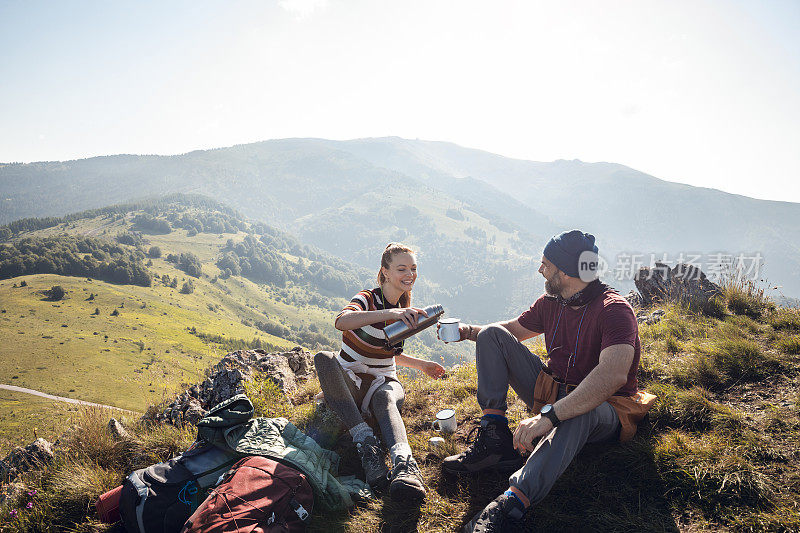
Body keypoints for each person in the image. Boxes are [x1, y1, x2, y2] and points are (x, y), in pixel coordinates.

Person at [441, 230, 656, 532]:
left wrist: (550, 417)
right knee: (491, 334)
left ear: (566, 271)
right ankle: (494, 440)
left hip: (604, 408)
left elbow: (612, 375)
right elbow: (512, 330)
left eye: (546, 263)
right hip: (553, 390)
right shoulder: (552, 301)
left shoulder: (614, 310)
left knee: (582, 408)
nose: (539, 269)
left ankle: (512, 503)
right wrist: (466, 331)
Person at [314, 243, 446, 501]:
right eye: (402, 268)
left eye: (413, 268)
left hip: (383, 380)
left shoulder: (407, 310)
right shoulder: (367, 298)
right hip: (350, 379)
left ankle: (405, 466)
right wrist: (391, 312)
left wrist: (422, 365)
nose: (410, 274)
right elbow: (341, 321)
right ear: (384, 272)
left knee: (385, 397)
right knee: (324, 359)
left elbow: (388, 353)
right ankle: (368, 447)